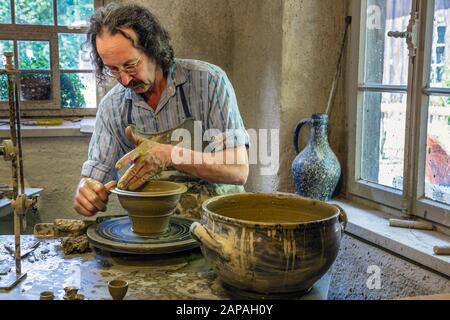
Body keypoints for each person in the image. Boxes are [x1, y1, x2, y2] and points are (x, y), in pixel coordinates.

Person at [73, 3, 250, 219]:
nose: (125, 79)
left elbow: (238, 170)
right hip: (155, 226)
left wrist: (171, 155)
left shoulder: (208, 82)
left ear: (153, 47)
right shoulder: (113, 106)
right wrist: (87, 192)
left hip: (218, 221)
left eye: (130, 65)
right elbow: (95, 177)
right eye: (113, 69)